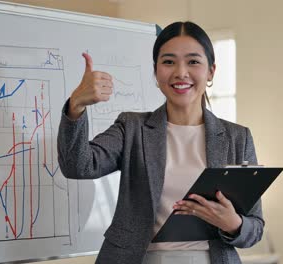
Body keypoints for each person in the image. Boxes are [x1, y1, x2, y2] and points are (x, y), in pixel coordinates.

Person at [57, 21, 264, 264]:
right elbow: (78, 165)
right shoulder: (132, 128)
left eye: (193, 61)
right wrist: (76, 106)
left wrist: (234, 224)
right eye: (168, 62)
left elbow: (255, 227)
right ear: (155, 72)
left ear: (211, 72)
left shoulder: (237, 137)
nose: (180, 72)